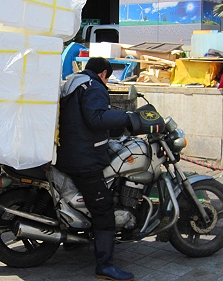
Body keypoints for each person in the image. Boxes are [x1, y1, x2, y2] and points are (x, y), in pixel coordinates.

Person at [56, 57, 136, 281]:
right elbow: (95, 118)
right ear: (103, 73)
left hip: (71, 152)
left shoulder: (74, 83)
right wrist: (128, 117)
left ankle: (76, 241)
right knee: (103, 209)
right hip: (84, 158)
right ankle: (105, 266)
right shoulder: (94, 87)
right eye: (107, 78)